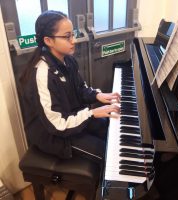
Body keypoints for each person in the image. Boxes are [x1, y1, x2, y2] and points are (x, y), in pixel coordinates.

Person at [20, 10, 120, 164]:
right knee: (108, 156)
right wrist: (92, 113)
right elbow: (57, 125)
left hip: (72, 118)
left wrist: (97, 96)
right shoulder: (42, 74)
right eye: (67, 37)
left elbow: (81, 88)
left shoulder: (68, 60)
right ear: (48, 40)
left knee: (111, 128)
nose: (73, 41)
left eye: (73, 35)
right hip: (54, 136)